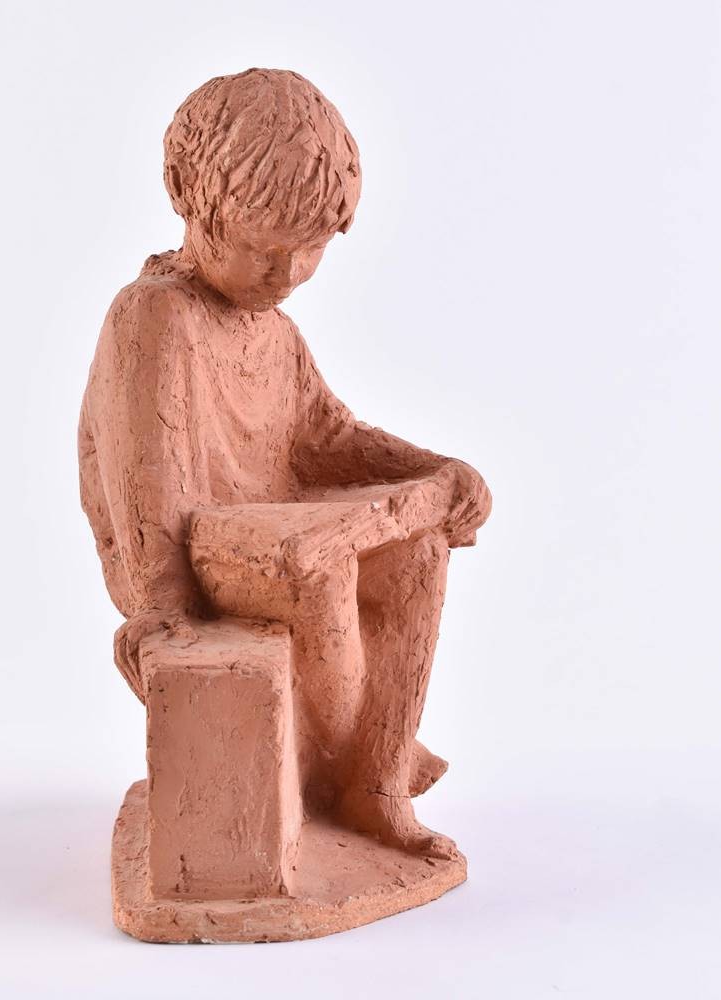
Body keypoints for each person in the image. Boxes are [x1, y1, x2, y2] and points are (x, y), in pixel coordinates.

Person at [79, 68, 491, 857]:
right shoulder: (154, 315)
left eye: (313, 249)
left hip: (277, 540)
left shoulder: (276, 334)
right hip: (197, 553)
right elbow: (141, 482)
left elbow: (330, 440)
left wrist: (438, 470)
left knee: (417, 553)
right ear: (187, 196)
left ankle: (376, 784)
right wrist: (162, 611)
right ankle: (341, 766)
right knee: (320, 569)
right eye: (265, 249)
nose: (290, 274)